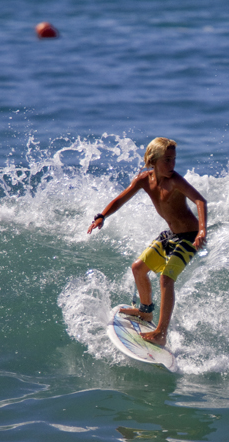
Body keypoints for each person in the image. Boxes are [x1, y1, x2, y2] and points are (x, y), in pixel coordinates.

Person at [87, 137, 207, 347]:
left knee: (166, 279)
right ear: (153, 160)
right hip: (171, 234)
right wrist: (101, 216)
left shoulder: (175, 181)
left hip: (190, 236)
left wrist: (202, 230)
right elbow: (120, 199)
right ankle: (145, 312)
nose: (172, 165)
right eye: (167, 160)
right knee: (138, 268)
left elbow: (200, 200)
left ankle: (161, 332)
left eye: (174, 159)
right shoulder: (144, 180)